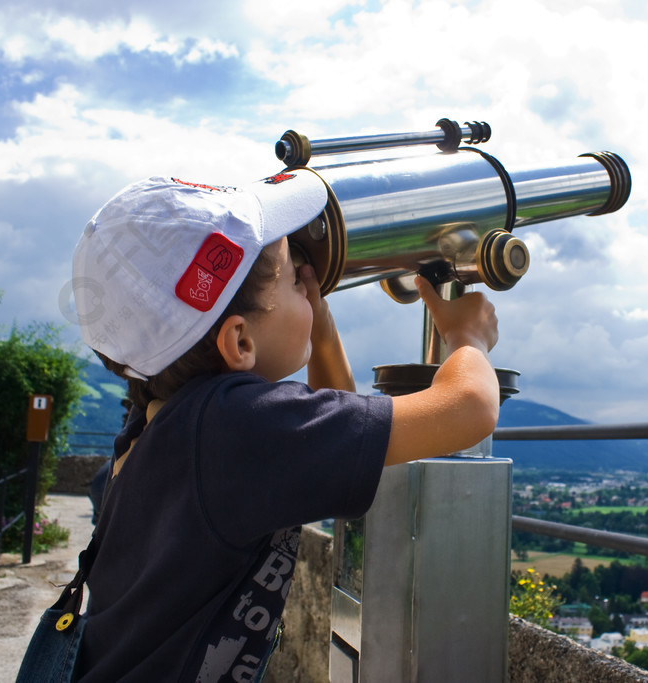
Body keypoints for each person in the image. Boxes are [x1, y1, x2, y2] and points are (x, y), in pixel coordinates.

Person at [69, 173, 500, 681]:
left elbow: (331, 434)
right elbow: (469, 408)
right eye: (295, 276)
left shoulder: (159, 424)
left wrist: (321, 331)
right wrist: (467, 336)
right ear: (239, 342)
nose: (309, 278)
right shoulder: (233, 428)